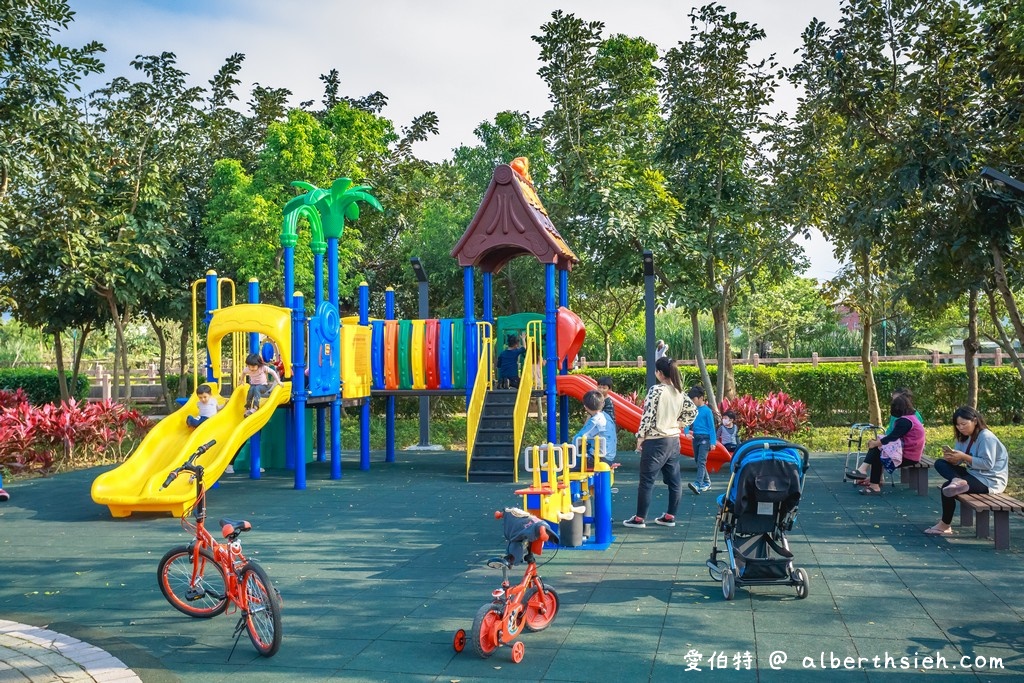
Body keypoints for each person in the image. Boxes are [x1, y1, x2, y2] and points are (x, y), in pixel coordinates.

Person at [623, 357, 697, 529]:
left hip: (656, 441)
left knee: (647, 481)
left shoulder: (656, 390)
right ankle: (670, 516)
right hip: (673, 440)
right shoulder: (679, 392)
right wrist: (680, 424)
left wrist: (640, 437)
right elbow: (693, 411)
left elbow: (647, 415)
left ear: (660, 373)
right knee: (674, 481)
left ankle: (640, 518)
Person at [925, 406, 1009, 536]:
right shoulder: (963, 437)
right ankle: (956, 479)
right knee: (940, 463)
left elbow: (987, 464)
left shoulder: (986, 437)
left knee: (947, 488)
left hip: (989, 480)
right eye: (957, 425)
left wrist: (963, 457)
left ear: (975, 421)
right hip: (973, 473)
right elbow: (960, 460)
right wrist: (953, 458)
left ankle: (944, 525)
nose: (961, 428)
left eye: (964, 424)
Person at [846, 393, 925, 494]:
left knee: (877, 452)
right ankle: (869, 477)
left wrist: (876, 443)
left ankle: (869, 477)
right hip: (909, 452)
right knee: (877, 448)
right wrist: (877, 443)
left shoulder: (905, 422)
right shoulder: (910, 418)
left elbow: (892, 437)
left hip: (909, 457)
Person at [683, 385, 717, 494]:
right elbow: (687, 421)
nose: (692, 402)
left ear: (701, 398)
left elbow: (712, 427)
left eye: (694, 399)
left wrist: (713, 442)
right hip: (696, 438)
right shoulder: (693, 410)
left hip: (705, 439)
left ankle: (697, 484)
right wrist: (687, 433)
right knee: (698, 461)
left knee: (701, 461)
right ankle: (707, 482)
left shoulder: (707, 411)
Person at [572, 390, 617, 465]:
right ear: (603, 404)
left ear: (585, 407)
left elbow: (577, 440)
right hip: (610, 456)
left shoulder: (595, 421)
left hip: (599, 458)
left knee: (569, 466)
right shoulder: (606, 416)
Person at [244, 352, 281, 417]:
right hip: (254, 385)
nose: (250, 368)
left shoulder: (263, 368)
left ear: (258, 364)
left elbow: (273, 372)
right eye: (249, 366)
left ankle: (255, 407)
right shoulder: (248, 369)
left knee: (256, 388)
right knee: (250, 390)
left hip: (264, 386)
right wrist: (241, 380)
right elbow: (243, 373)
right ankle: (248, 407)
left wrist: (278, 381)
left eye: (252, 366)